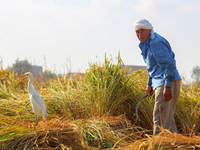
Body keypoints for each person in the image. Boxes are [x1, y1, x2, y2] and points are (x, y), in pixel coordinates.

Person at [134, 19, 181, 135]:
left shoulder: (156, 42)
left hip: (166, 82)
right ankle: (176, 145)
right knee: (167, 119)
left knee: (159, 117)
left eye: (143, 31)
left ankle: (159, 146)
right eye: (137, 32)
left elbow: (169, 65)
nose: (140, 35)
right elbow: (152, 66)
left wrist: (167, 86)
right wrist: (149, 83)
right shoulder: (146, 44)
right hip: (161, 82)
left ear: (150, 30)